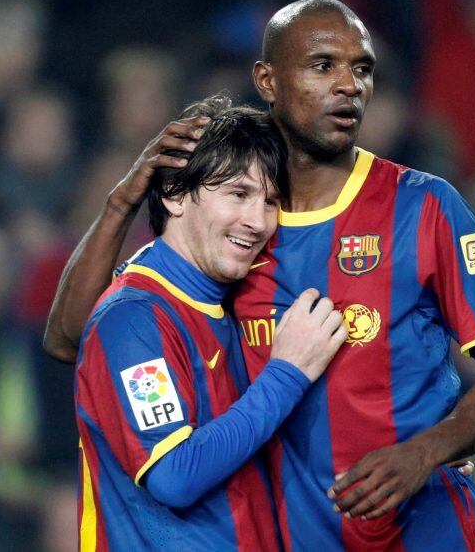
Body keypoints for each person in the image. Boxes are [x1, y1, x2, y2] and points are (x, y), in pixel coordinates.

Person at [46, 0, 475, 551]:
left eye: (362, 68)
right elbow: (75, 336)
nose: (349, 84)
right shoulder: (235, 238)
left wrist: (430, 449)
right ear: (267, 79)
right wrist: (124, 201)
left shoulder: (425, 206)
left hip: (424, 530)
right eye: (322, 65)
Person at [73, 97, 347, 550]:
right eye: (238, 194)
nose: (257, 221)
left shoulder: (239, 307)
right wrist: (287, 373)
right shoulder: (132, 320)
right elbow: (173, 475)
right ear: (175, 194)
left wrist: (417, 448)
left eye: (271, 201)